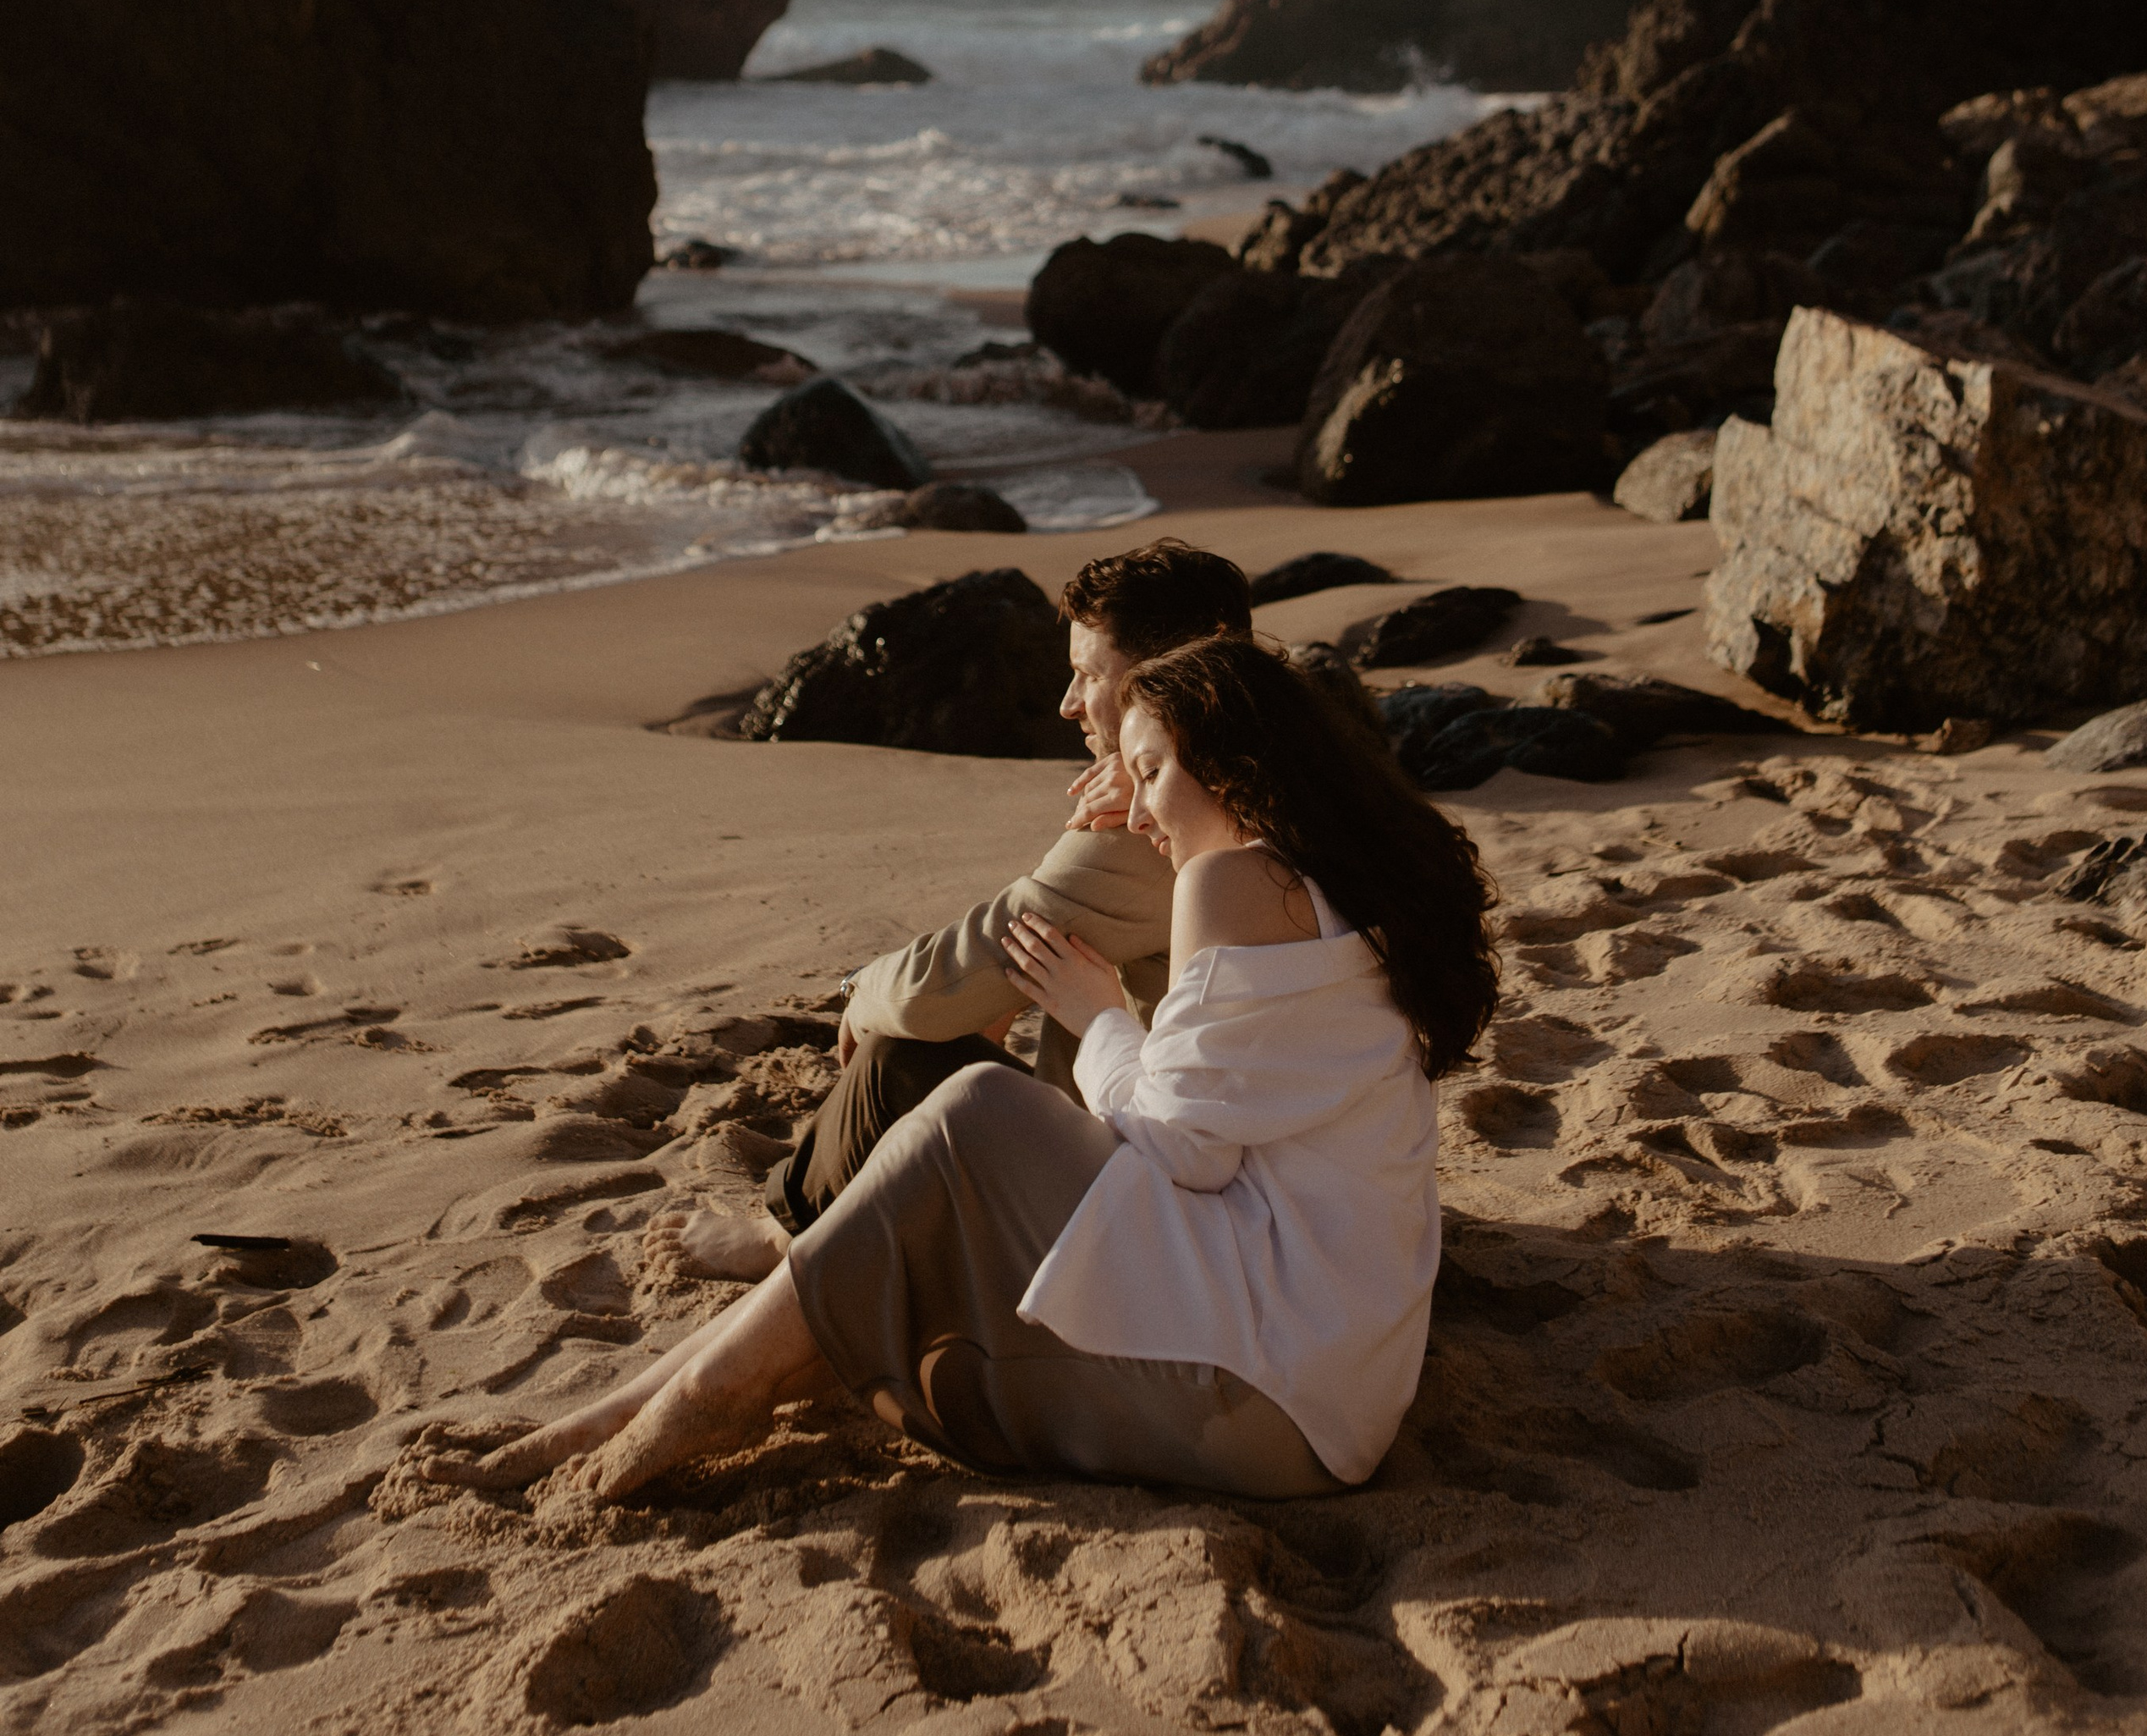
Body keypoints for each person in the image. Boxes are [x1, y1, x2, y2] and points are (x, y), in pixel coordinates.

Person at [421, 632, 1496, 1507]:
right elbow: (1210, 1128)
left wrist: (1098, 1015)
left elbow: (1184, 1150)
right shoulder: (1338, 887)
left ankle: (697, 1391)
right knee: (951, 1162)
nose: (1142, 811)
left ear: (1232, 764)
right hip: (1330, 1393)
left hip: (1272, 1398)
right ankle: (668, 1393)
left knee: (975, 1104)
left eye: (1153, 773)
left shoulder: (1235, 881)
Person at [647, 538, 1253, 1283]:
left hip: (1164, 1186)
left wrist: (858, 992)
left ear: (1171, 678)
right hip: (1244, 1162)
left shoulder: (1152, 831)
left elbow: (931, 995)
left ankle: (782, 1239)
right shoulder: (1288, 782)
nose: (1067, 704)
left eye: (1089, 675)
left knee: (900, 1056)